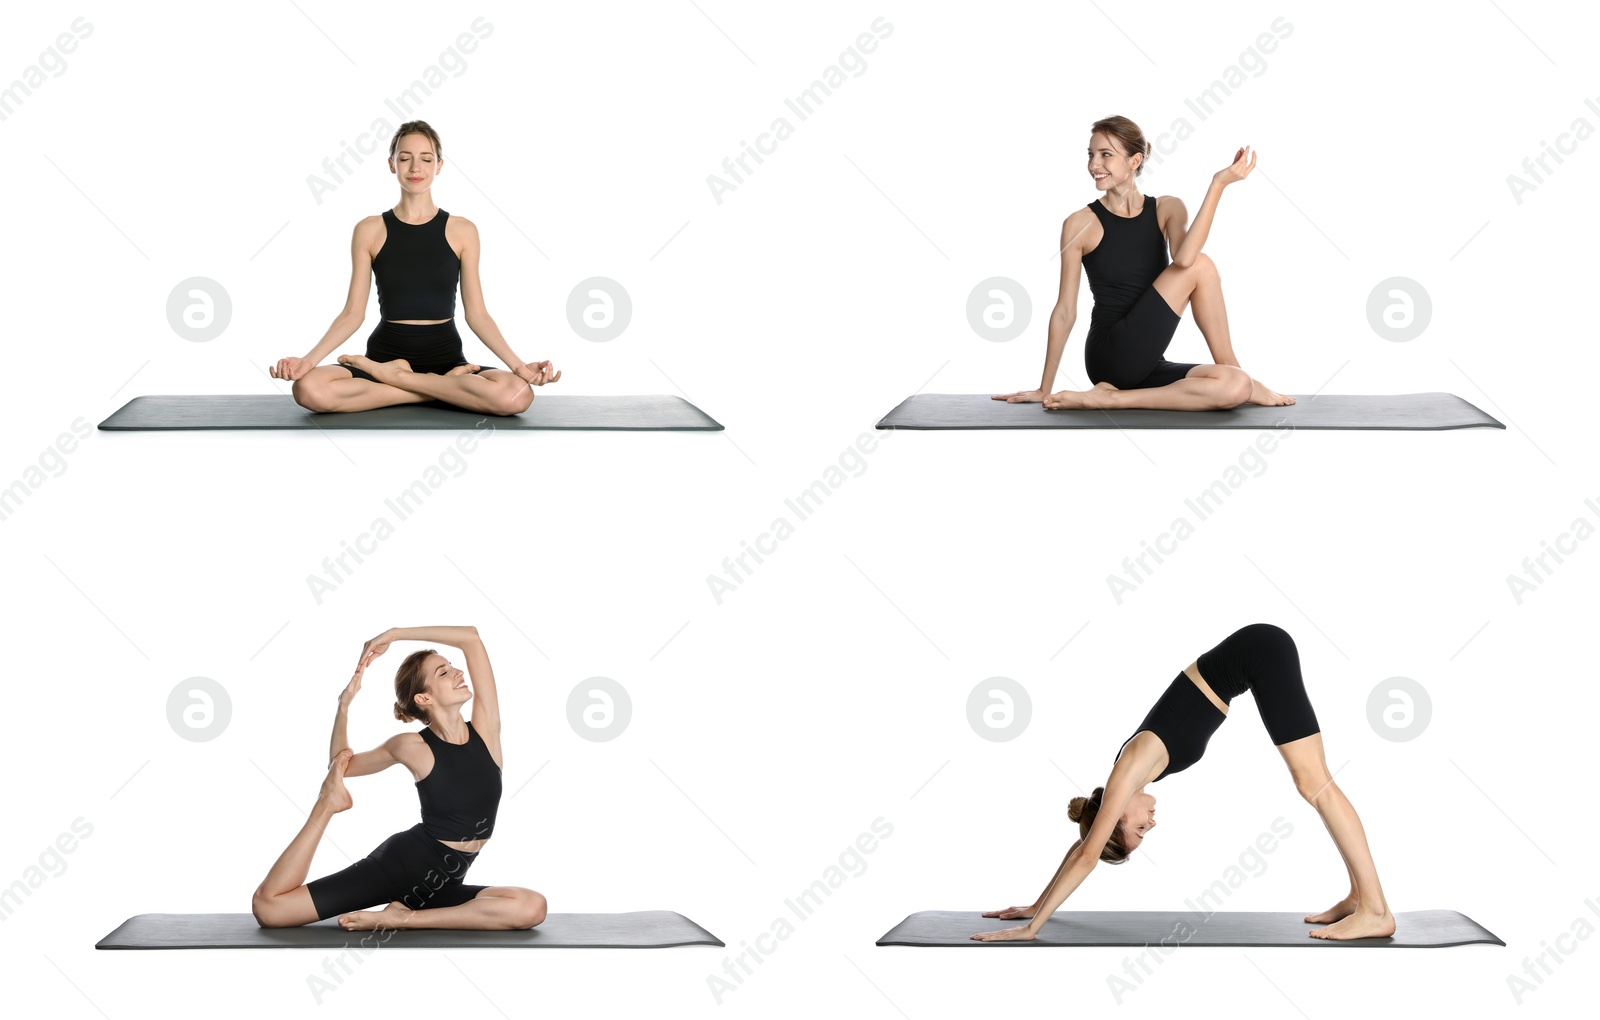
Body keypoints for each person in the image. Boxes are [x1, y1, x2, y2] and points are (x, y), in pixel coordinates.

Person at [973, 623, 1395, 942]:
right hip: (1256, 656)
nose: (1150, 825)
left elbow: (1087, 855)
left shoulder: (1127, 771)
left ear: (1116, 814)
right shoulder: (1129, 779)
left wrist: (1033, 929)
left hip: (1260, 652)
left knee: (1312, 783)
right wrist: (1035, 904)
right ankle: (1359, 898)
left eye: (1138, 829)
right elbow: (1083, 846)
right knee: (1311, 783)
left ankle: (1375, 911)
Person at [251, 625, 546, 931]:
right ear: (423, 698)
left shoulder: (486, 732)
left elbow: (471, 638)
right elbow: (341, 765)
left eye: (451, 666)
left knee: (532, 907)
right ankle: (327, 805)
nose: (458, 671)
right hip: (401, 867)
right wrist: (344, 706)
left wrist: (395, 634)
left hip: (443, 884)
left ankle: (403, 917)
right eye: (443, 672)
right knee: (270, 909)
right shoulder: (411, 746)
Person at [994, 115, 1292, 411]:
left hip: (1147, 363)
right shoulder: (1079, 224)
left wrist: (1218, 184)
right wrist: (1043, 388)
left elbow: (1183, 256)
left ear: (1135, 161)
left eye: (1106, 155)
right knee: (1202, 265)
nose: (1094, 165)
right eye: (1091, 155)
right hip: (1109, 355)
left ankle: (1115, 398)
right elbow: (1064, 311)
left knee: (1234, 385)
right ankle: (1246, 381)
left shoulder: (1166, 208)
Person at [270, 121, 561, 415]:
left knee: (517, 395)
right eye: (405, 157)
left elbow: (478, 315)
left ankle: (401, 381)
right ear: (391, 164)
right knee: (308, 389)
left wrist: (520, 367)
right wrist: (308, 361)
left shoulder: (463, 230)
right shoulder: (369, 230)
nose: (415, 168)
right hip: (384, 357)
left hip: (446, 358)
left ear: (439, 165)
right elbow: (352, 313)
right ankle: (433, 389)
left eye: (426, 158)